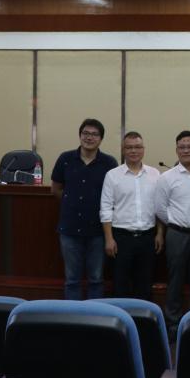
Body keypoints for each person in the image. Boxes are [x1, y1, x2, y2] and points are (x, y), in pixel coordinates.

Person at [51, 118, 118, 300]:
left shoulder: (109, 163)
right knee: (72, 279)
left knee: (96, 279)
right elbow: (56, 189)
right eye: (86, 133)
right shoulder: (65, 159)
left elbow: (114, 195)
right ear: (80, 135)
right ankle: (72, 316)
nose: (89, 137)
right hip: (70, 229)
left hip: (98, 231)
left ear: (101, 139)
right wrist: (71, 203)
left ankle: (95, 315)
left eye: (94, 134)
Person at [155, 130, 190, 336]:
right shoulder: (166, 177)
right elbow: (160, 208)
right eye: (182, 147)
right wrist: (176, 223)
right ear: (176, 150)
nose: (186, 150)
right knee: (175, 281)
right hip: (177, 234)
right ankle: (173, 325)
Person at [101, 131, 162, 300]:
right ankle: (122, 317)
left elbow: (159, 207)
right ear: (123, 150)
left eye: (137, 147)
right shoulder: (112, 175)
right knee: (120, 285)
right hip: (121, 238)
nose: (133, 151)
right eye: (129, 147)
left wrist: (159, 233)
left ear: (143, 149)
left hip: (148, 238)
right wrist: (109, 239)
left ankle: (143, 318)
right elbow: (105, 208)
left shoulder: (155, 174)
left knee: (145, 285)